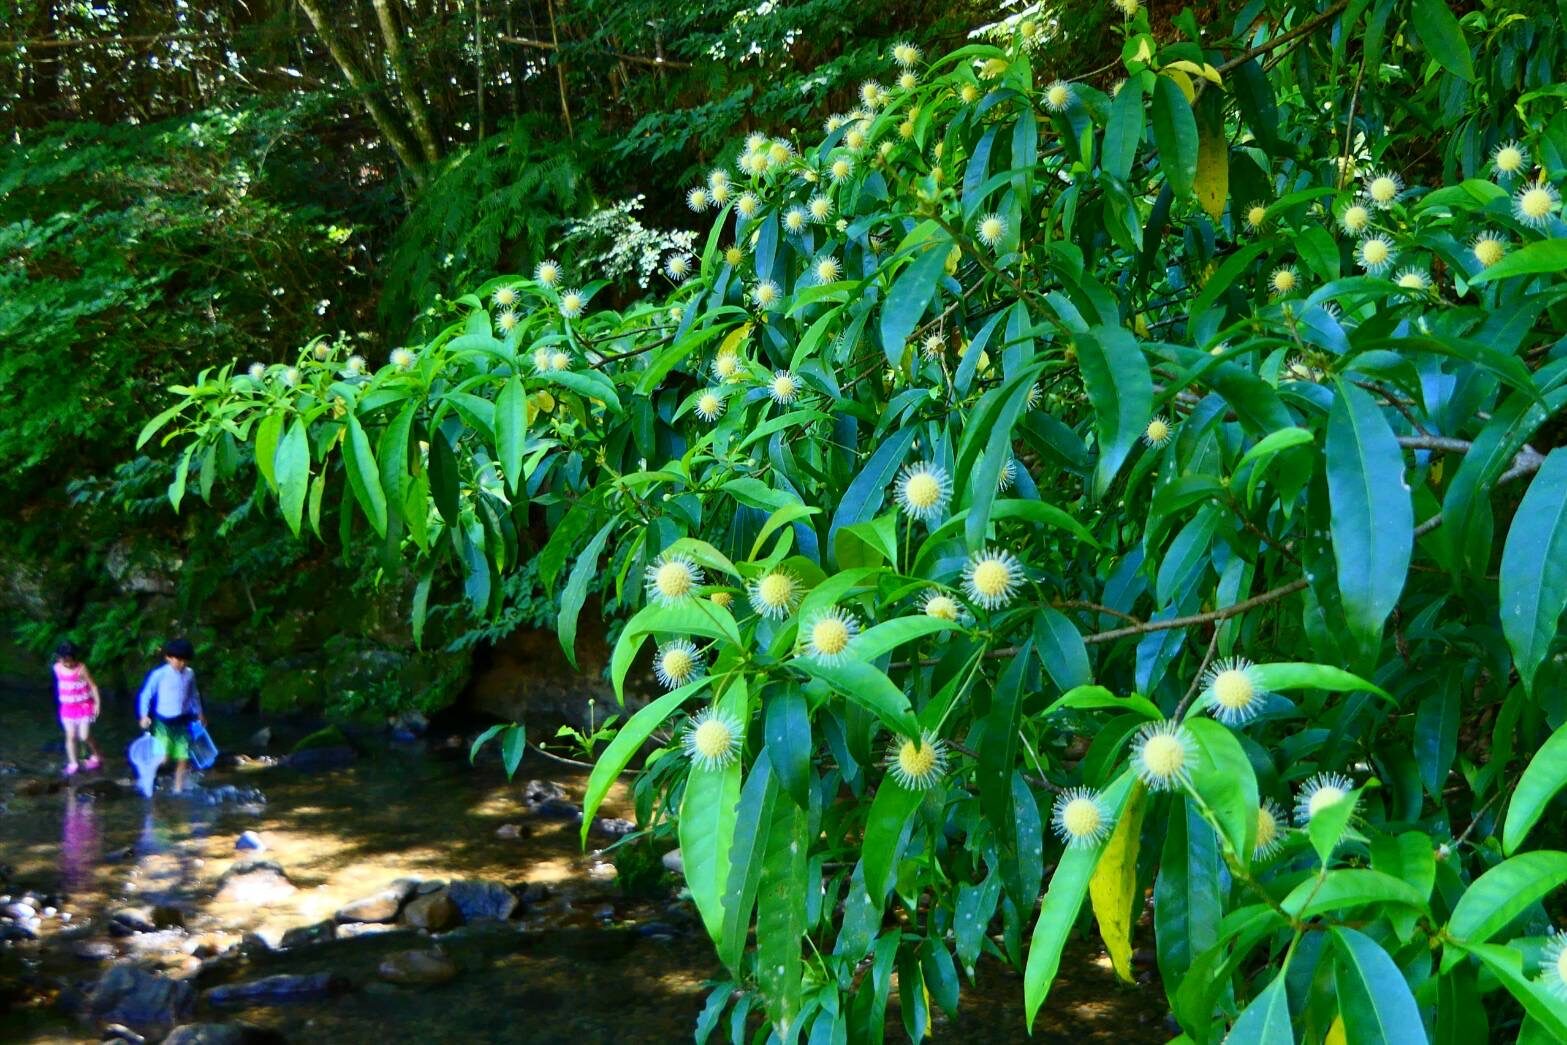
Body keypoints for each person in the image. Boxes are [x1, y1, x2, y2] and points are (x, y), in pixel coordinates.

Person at [136, 638, 204, 794]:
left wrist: (200, 713)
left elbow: (194, 695)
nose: (181, 664)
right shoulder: (159, 674)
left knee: (183, 757)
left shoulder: (190, 674)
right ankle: (149, 772)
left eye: (185, 660)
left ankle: (178, 789)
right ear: (168, 657)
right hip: (163, 722)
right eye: (178, 659)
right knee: (164, 758)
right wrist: (144, 715)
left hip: (182, 721)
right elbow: (146, 694)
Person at [53, 642, 103, 776]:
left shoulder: (81, 669)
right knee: (70, 735)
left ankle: (97, 754)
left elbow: (93, 686)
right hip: (67, 708)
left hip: (83, 707)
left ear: (75, 658)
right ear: (59, 659)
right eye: (65, 661)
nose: (68, 664)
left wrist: (97, 703)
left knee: (84, 735)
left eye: (70, 661)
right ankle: (73, 763)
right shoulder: (57, 668)